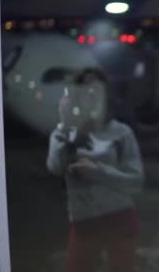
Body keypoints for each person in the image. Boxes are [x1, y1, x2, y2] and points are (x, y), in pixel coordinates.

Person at [47, 67, 144, 272]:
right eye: (85, 94)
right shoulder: (65, 133)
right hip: (83, 221)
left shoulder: (121, 133)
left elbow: (136, 182)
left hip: (119, 216)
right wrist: (65, 125)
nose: (90, 100)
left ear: (106, 97)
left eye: (96, 94)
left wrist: (98, 172)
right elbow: (55, 166)